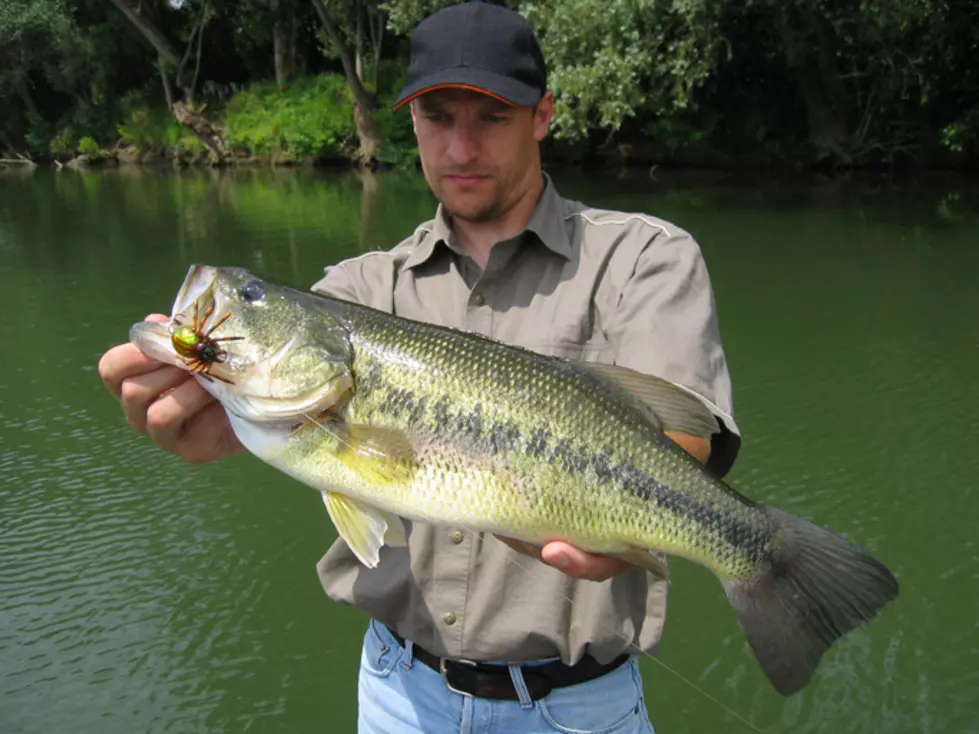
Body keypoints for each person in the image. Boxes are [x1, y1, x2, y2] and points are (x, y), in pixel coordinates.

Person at [98, 2, 741, 732]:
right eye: (438, 117)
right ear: (410, 122)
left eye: (492, 117)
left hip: (579, 708)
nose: (461, 146)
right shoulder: (354, 291)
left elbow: (686, 444)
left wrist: (611, 517)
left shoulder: (644, 259)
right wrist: (219, 426)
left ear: (543, 115)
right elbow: (309, 429)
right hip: (399, 695)